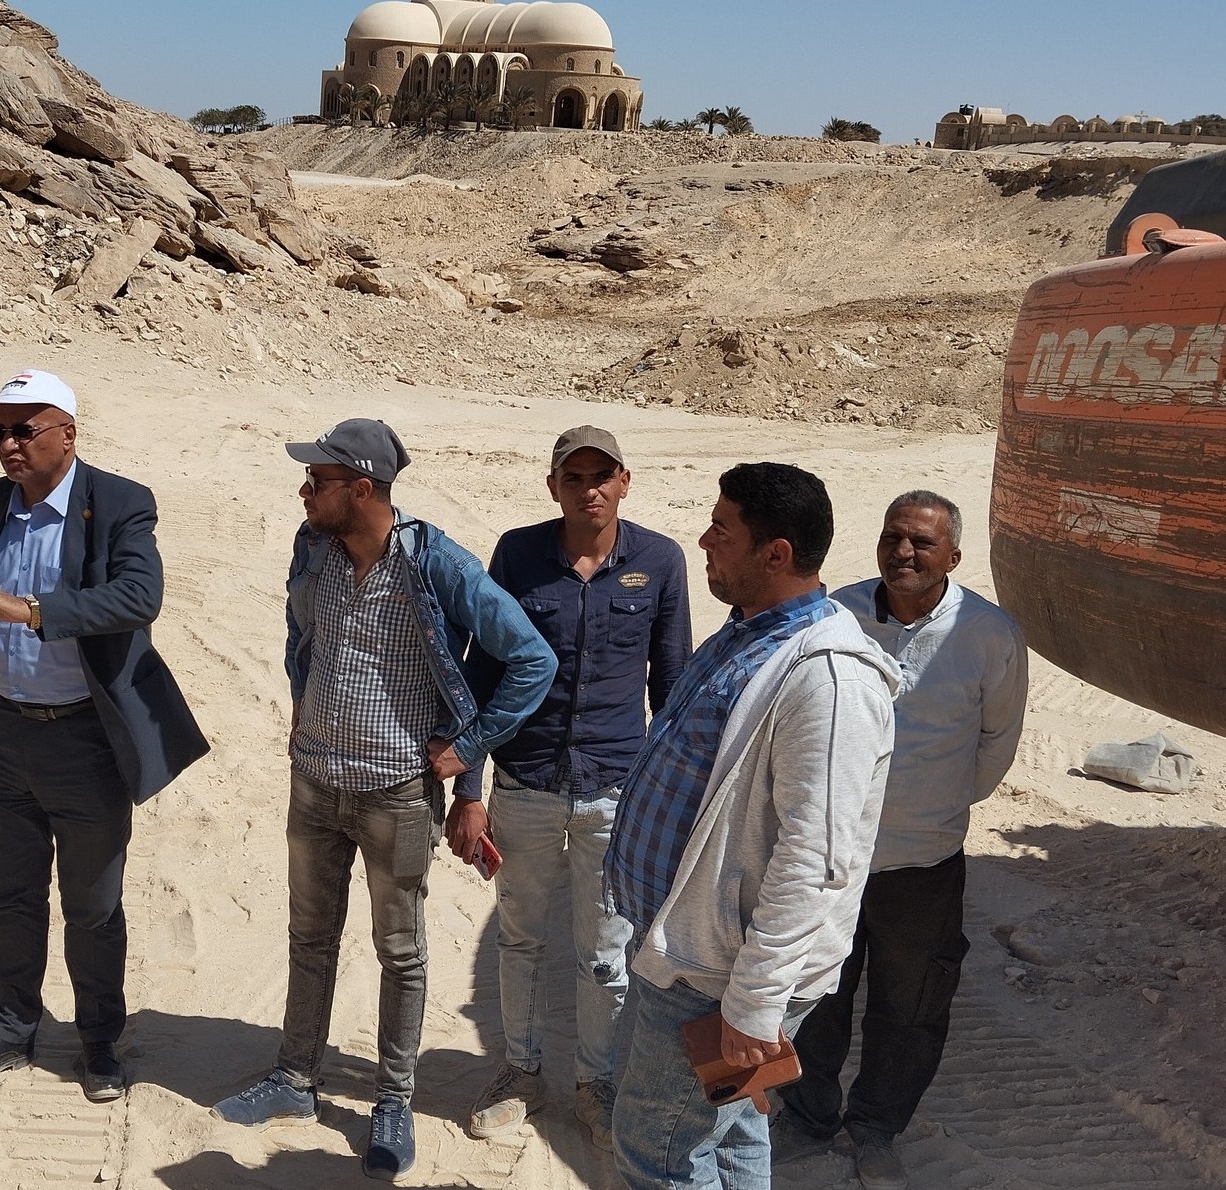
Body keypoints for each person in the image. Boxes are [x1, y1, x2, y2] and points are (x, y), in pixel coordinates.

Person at [213, 418, 558, 1183]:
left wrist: (468, 746)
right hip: (314, 782)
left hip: (397, 792)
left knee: (399, 951)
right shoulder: (314, 547)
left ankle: (392, 1101)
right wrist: (302, 698)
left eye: (317, 480)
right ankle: (295, 1079)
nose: (304, 491)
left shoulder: (435, 562)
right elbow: (297, 627)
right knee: (309, 934)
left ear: (360, 488)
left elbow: (531, 657)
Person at [603, 462, 900, 1190]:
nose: (703, 539)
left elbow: (814, 858)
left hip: (720, 974)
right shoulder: (749, 632)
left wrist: (753, 1002)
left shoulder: (829, 681)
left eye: (721, 528)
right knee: (731, 1128)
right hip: (692, 953)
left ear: (775, 553)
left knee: (657, 1150)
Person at [0, 369, 209, 1102]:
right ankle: (9, 1027)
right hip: (1, 733)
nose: (8, 445)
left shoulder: (116, 501)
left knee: (92, 904)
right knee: (9, 897)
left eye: (25, 429)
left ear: (68, 434)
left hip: (84, 739)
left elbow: (139, 596)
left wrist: (34, 610)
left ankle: (97, 1041)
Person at [773, 491, 1026, 1190]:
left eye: (920, 542)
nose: (903, 552)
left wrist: (932, 809)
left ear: (953, 556)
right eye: (892, 536)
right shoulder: (833, 614)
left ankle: (875, 1126)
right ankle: (806, 1113)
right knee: (816, 991)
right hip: (831, 856)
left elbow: (994, 746)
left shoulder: (988, 633)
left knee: (909, 1006)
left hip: (922, 863)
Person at [449, 426, 692, 1150]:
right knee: (520, 937)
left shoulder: (659, 560)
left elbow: (671, 685)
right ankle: (520, 1073)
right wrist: (467, 789)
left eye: (602, 474)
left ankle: (596, 1084)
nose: (588, 488)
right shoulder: (517, 554)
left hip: (615, 792)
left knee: (605, 951)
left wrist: (672, 799)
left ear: (624, 481)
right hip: (523, 784)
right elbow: (481, 673)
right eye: (573, 475)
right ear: (552, 485)